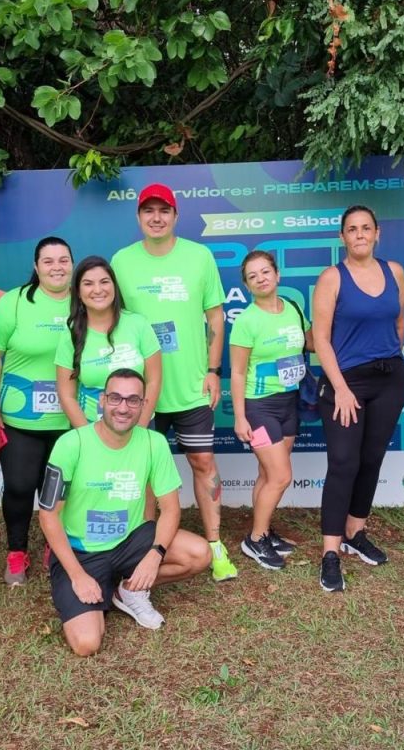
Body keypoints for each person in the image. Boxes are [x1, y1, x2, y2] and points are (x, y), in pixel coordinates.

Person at [111, 183, 238, 581]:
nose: (156, 217)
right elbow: (108, 316)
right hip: (138, 392)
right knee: (145, 471)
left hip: (190, 386)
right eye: (148, 210)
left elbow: (215, 317)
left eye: (163, 210)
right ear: (138, 217)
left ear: (175, 215)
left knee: (203, 462)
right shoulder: (122, 261)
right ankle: (145, 549)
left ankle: (215, 544)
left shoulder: (199, 257)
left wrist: (214, 371)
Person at [37, 369, 211, 656]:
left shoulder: (153, 442)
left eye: (132, 400)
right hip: (82, 552)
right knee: (86, 644)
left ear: (143, 405)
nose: (123, 407)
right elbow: (48, 515)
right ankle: (99, 585)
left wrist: (155, 555)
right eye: (116, 398)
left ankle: (127, 589)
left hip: (131, 541)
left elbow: (169, 510)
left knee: (199, 553)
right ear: (102, 401)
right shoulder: (71, 444)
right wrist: (78, 576)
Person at [311, 206, 404, 592]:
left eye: (366, 228)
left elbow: (399, 323)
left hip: (389, 379)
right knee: (343, 462)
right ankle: (330, 552)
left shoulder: (395, 272)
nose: (360, 235)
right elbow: (320, 339)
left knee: (371, 458)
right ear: (342, 237)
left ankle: (356, 530)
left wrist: (392, 359)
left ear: (377, 233)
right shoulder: (332, 278)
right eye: (352, 229)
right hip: (345, 381)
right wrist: (341, 388)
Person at [0, 237, 73, 585]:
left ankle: (56, 548)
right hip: (20, 419)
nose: (57, 267)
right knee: (21, 487)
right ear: (36, 267)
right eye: (48, 261)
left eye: (64, 260)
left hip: (71, 420)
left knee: (62, 491)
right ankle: (16, 553)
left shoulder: (84, 302)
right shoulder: (14, 303)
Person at [229, 251, 311, 570]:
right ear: (248, 285)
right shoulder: (246, 321)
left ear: (277, 275)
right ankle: (255, 539)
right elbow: (237, 372)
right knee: (280, 476)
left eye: (266, 271)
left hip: (288, 404)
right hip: (258, 408)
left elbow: (310, 341)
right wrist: (239, 417)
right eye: (253, 275)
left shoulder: (292, 308)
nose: (261, 278)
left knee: (267, 473)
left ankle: (264, 531)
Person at [55, 256, 162, 427]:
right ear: (78, 293)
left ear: (114, 286)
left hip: (139, 426)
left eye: (104, 282)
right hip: (90, 428)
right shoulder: (71, 334)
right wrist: (88, 437)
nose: (98, 290)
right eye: (88, 284)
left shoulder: (138, 324)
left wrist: (139, 429)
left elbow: (153, 381)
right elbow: (67, 395)